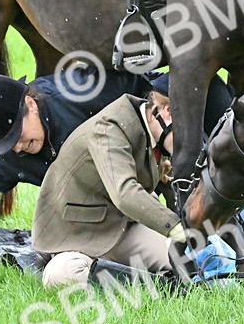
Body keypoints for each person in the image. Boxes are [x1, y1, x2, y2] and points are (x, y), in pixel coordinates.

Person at [0, 67, 233, 285]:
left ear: (30, 103)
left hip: (134, 207)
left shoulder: (82, 91)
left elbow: (142, 90)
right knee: (62, 276)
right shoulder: (5, 154)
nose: (19, 148)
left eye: (20, 136)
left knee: (200, 257)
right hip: (78, 235)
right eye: (9, 144)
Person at [34, 90, 185, 287]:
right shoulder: (110, 126)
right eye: (185, 132)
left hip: (123, 226)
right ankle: (137, 282)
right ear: (167, 112)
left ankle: (134, 278)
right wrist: (176, 227)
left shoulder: (152, 131)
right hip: (79, 234)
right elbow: (125, 193)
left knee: (182, 264)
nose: (187, 142)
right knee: (59, 276)